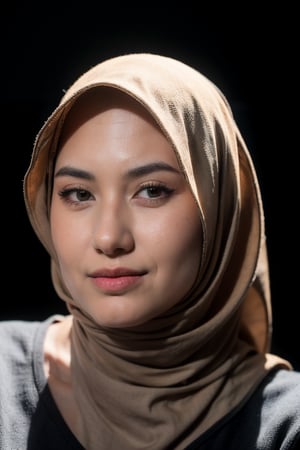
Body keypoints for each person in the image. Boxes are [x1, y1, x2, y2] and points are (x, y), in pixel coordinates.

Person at [0, 53, 299, 450]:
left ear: (219, 206)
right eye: (78, 194)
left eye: (152, 191)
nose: (109, 238)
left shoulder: (285, 427)